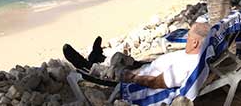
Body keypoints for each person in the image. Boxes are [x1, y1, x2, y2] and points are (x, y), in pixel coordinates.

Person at [63, 22, 210, 89]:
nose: (187, 38)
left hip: (139, 76)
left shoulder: (183, 69)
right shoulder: (203, 54)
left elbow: (156, 83)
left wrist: (132, 77)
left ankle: (87, 65)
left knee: (112, 70)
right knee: (119, 57)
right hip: (145, 67)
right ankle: (99, 57)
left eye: (189, 36)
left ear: (195, 43)